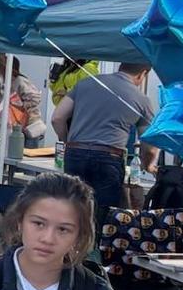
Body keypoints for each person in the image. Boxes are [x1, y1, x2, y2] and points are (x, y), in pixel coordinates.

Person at [52, 61, 156, 219]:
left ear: (120, 67)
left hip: (75, 153)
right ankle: (96, 242)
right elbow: (150, 144)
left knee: (71, 210)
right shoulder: (142, 100)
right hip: (109, 158)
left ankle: (71, 243)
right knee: (102, 215)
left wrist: (67, 141)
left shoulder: (85, 83)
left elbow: (57, 118)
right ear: (142, 74)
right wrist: (147, 164)